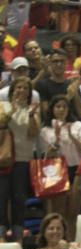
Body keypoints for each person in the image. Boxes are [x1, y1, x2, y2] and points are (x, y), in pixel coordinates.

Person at [39, 94, 81, 236]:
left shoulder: (77, 125)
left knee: (72, 211)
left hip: (76, 169)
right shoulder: (46, 129)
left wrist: (70, 135)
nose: (61, 110)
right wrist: (56, 138)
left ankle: (71, 243)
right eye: (58, 106)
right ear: (52, 109)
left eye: (64, 106)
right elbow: (45, 156)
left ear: (69, 109)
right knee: (58, 212)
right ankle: (57, 241)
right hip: (56, 170)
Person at [0, 78, 40, 240]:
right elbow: (1, 124)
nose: (21, 91)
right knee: (1, 197)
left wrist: (30, 116)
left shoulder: (32, 109)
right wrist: (13, 109)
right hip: (4, 159)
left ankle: (18, 236)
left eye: (25, 88)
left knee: (18, 197)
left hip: (23, 159)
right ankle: (1, 235)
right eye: (18, 87)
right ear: (12, 90)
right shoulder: (3, 106)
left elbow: (33, 133)